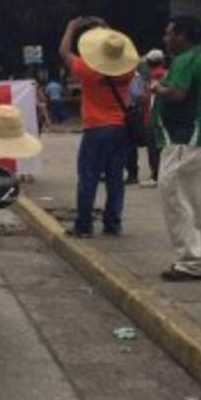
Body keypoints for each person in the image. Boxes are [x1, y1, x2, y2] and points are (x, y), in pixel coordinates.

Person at [153, 16, 201, 281]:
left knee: (175, 196)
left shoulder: (186, 60)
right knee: (193, 201)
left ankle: (191, 262)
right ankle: (196, 259)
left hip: (185, 138)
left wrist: (159, 88)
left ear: (183, 36)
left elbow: (178, 93)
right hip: (195, 138)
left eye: (170, 34)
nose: (166, 39)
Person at [58, 16, 137, 238]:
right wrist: (107, 29)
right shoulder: (127, 71)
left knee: (88, 177)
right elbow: (114, 45)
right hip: (121, 128)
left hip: (96, 129)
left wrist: (71, 27)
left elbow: (65, 53)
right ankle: (113, 224)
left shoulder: (89, 70)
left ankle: (84, 225)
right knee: (115, 178)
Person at [139, 49, 168, 187]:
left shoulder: (154, 76)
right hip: (160, 116)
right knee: (161, 147)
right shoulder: (165, 73)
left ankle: (156, 176)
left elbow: (147, 97)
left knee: (153, 148)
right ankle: (161, 174)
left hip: (152, 117)